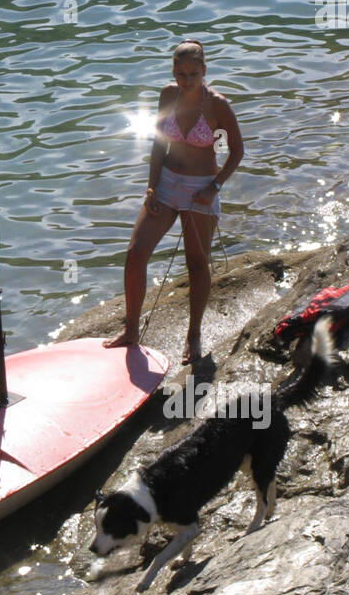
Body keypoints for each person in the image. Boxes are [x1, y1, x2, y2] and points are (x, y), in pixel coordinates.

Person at [104, 38, 244, 364]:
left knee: (197, 264)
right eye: (181, 74)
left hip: (200, 189)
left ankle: (193, 335)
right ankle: (130, 330)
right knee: (135, 253)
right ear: (173, 73)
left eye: (194, 73)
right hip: (166, 183)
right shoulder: (168, 95)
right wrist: (152, 187)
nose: (187, 80)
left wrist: (215, 188)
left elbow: (237, 152)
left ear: (204, 70)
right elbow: (158, 146)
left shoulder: (217, 105)